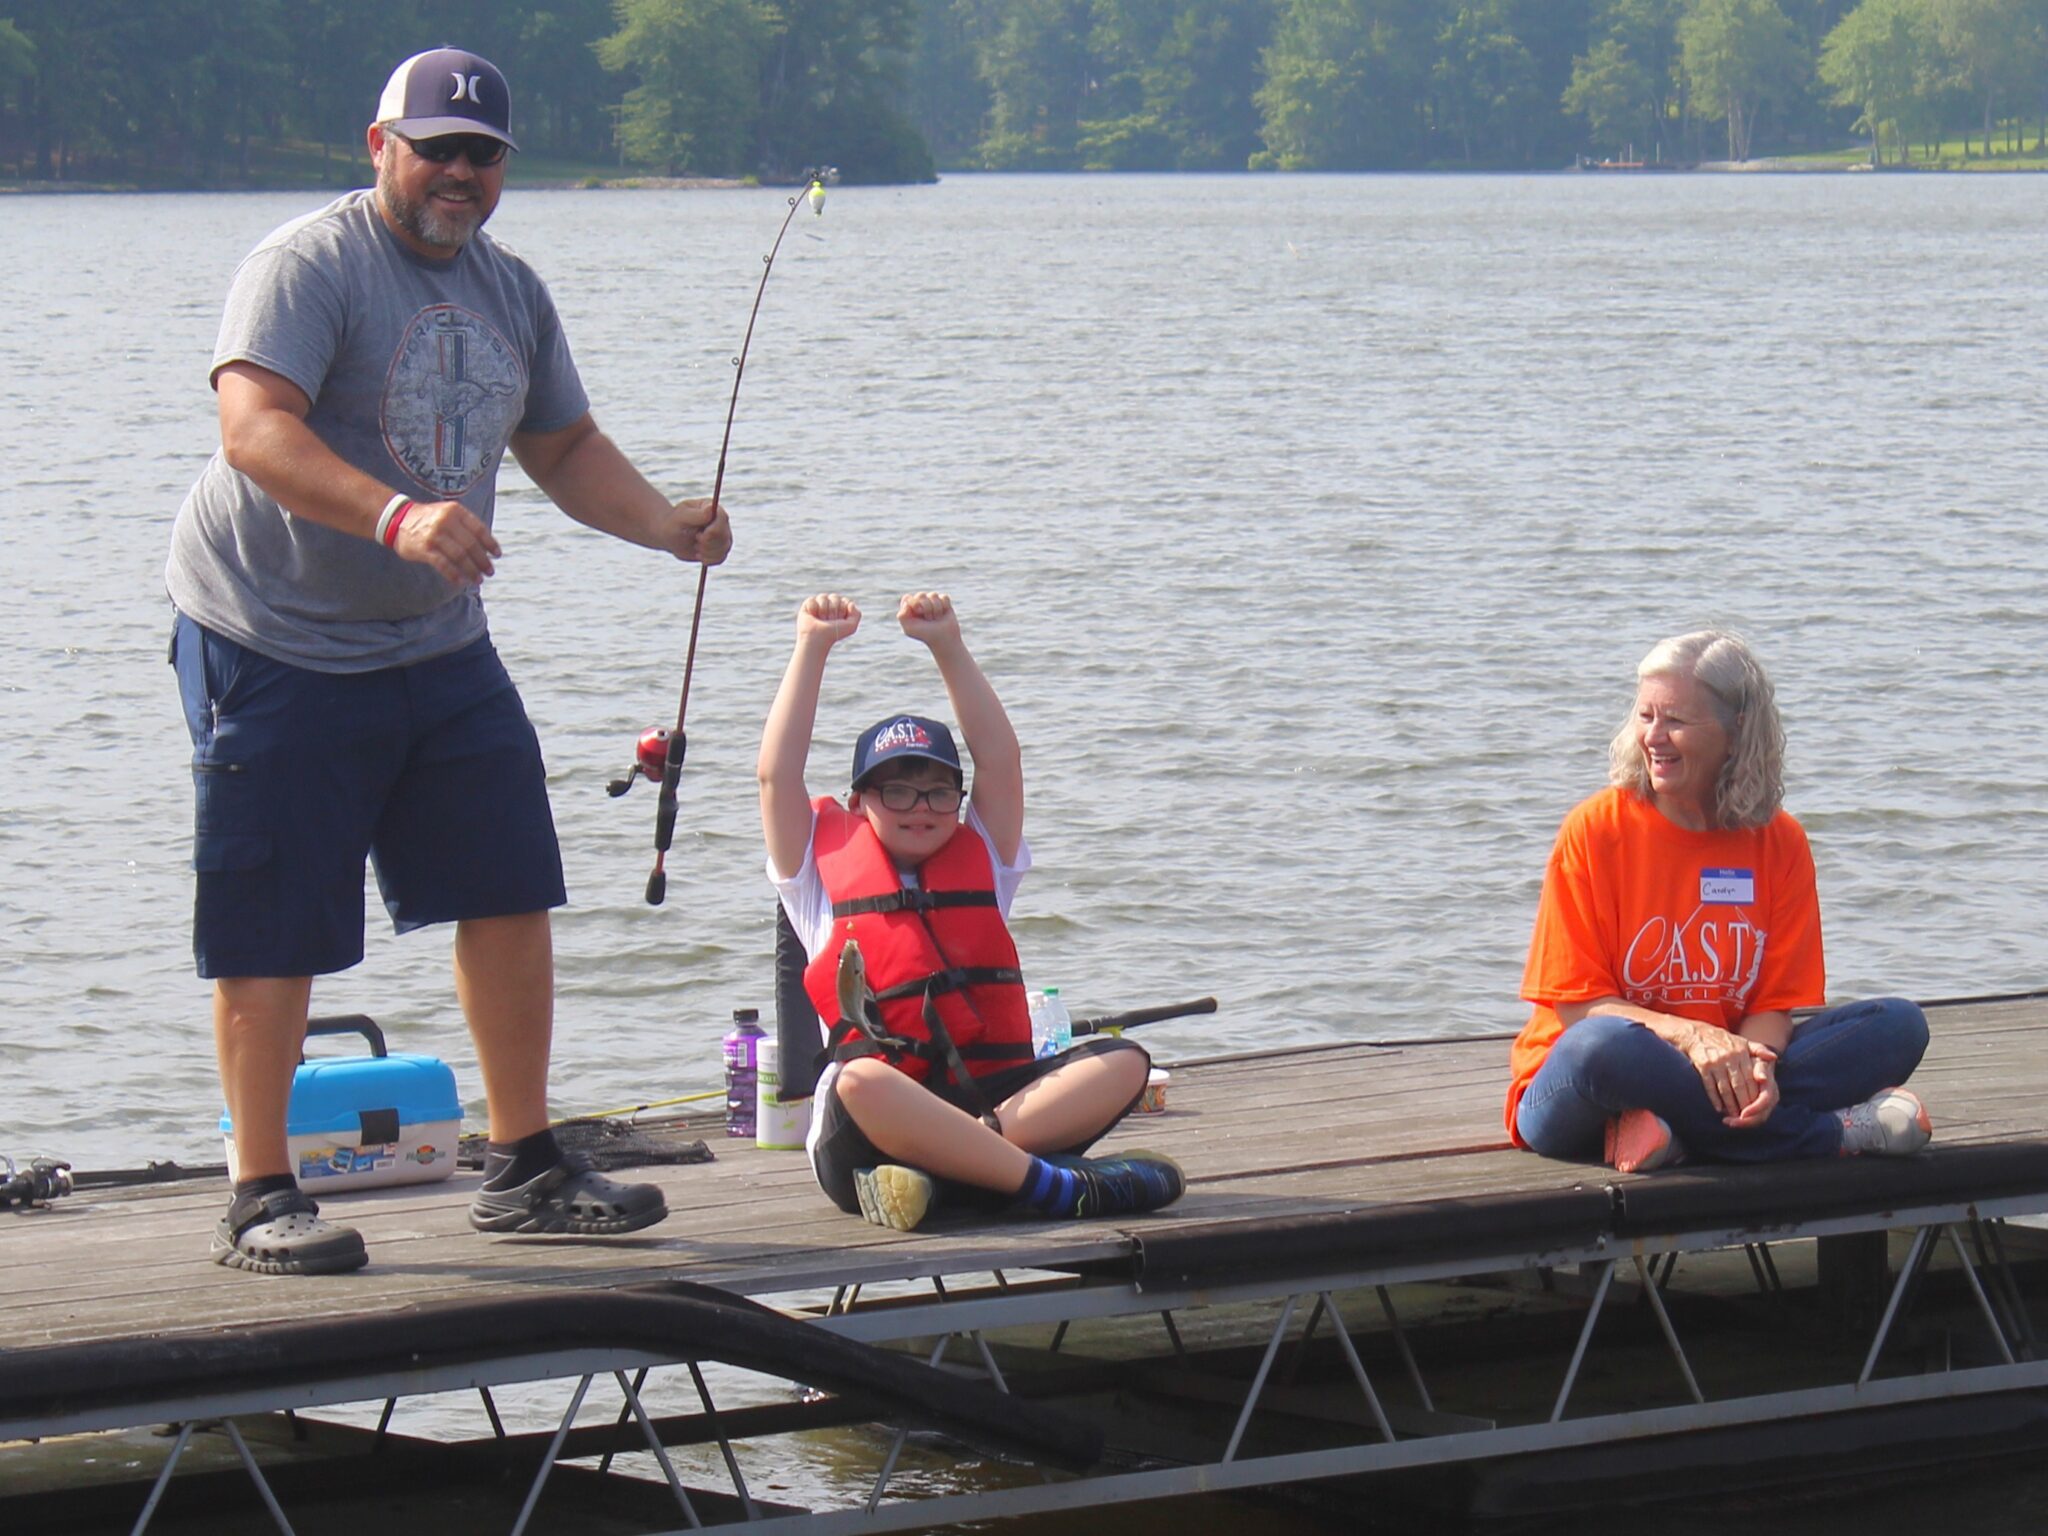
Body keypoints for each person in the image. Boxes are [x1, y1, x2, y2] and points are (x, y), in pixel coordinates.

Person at [166, 48, 732, 1275]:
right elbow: (253, 428)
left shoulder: (510, 291)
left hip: (434, 637)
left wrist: (663, 525)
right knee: (278, 918)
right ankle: (260, 1195)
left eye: (483, 156)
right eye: (437, 149)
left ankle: (523, 1163)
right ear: (380, 147)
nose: (461, 175)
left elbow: (564, 440)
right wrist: (399, 516)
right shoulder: (306, 267)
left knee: (508, 878)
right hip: (273, 634)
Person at [758, 591, 1185, 1232]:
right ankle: (1052, 1187)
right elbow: (775, 775)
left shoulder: (984, 857)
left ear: (959, 801)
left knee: (1124, 1062)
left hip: (990, 1104)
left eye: (937, 790)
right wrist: (812, 647)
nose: (920, 806)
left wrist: (947, 645)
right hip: (869, 1128)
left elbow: (1000, 759)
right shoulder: (813, 875)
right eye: (896, 788)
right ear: (858, 800)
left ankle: (949, 1176)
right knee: (859, 1081)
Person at [1507, 630, 1931, 1173]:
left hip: (1724, 1067)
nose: (1653, 737)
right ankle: (1829, 1133)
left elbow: (1771, 1008)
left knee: (1897, 1026)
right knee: (1603, 1047)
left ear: (1736, 733)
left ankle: (1677, 1134)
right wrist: (1693, 1036)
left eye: (1676, 721)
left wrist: (1757, 1070)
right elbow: (1576, 1006)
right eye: (1644, 717)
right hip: (1583, 1084)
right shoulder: (1595, 830)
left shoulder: (1779, 841)